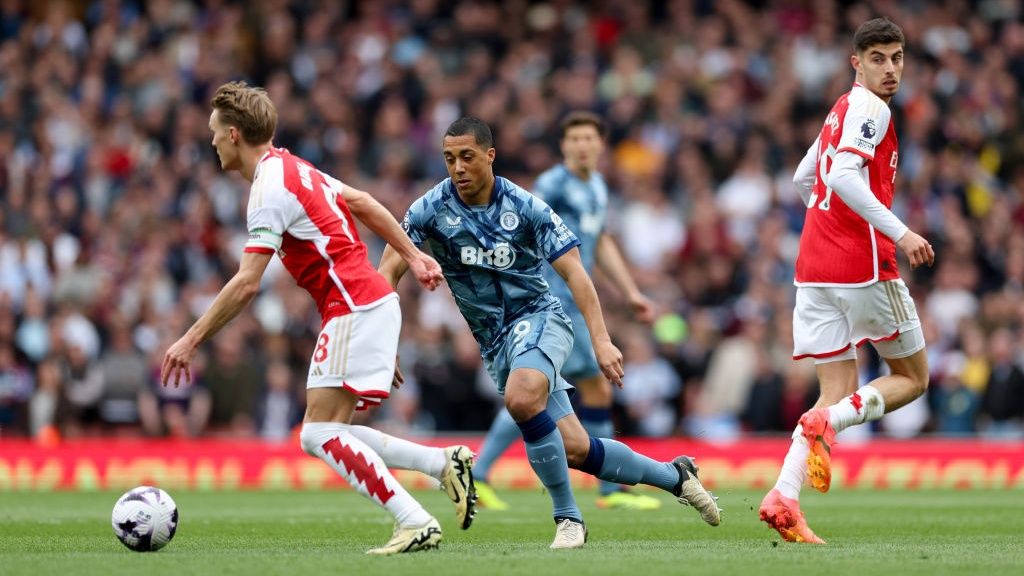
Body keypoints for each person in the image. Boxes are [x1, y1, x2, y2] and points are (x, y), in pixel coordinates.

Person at [161, 81, 477, 555]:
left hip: (355, 306)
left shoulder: (268, 188)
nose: (209, 141)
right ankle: (442, 463)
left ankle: (414, 519)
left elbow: (248, 282)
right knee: (335, 429)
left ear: (232, 134)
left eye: (212, 131)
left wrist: (190, 339)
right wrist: (411, 258)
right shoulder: (294, 168)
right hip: (364, 303)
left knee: (317, 433)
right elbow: (364, 202)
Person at [379, 117, 720, 550]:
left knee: (522, 397)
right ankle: (676, 477)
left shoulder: (526, 206)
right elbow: (388, 269)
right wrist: (382, 340)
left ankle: (568, 518)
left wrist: (600, 339)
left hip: (542, 318)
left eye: (467, 156)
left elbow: (576, 271)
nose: (458, 168)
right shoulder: (429, 209)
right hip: (495, 342)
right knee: (576, 448)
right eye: (449, 159)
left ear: (489, 155)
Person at [758, 18, 935, 544]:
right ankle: (832, 425)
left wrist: (828, 220)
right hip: (861, 264)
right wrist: (901, 233)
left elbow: (803, 177)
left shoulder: (839, 108)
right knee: (913, 378)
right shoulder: (871, 108)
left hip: (813, 267)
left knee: (833, 394)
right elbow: (838, 176)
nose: (890, 69)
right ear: (856, 62)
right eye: (878, 58)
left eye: (897, 57)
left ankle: (784, 498)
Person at [471, 111, 661, 512]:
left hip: (575, 306)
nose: (582, 145)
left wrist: (630, 291)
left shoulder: (596, 186)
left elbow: (601, 240)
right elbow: (518, 231)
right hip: (550, 305)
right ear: (563, 146)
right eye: (574, 138)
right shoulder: (552, 186)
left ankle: (607, 490)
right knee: (542, 390)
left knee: (583, 388)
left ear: (600, 145)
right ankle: (482, 474)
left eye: (589, 138)